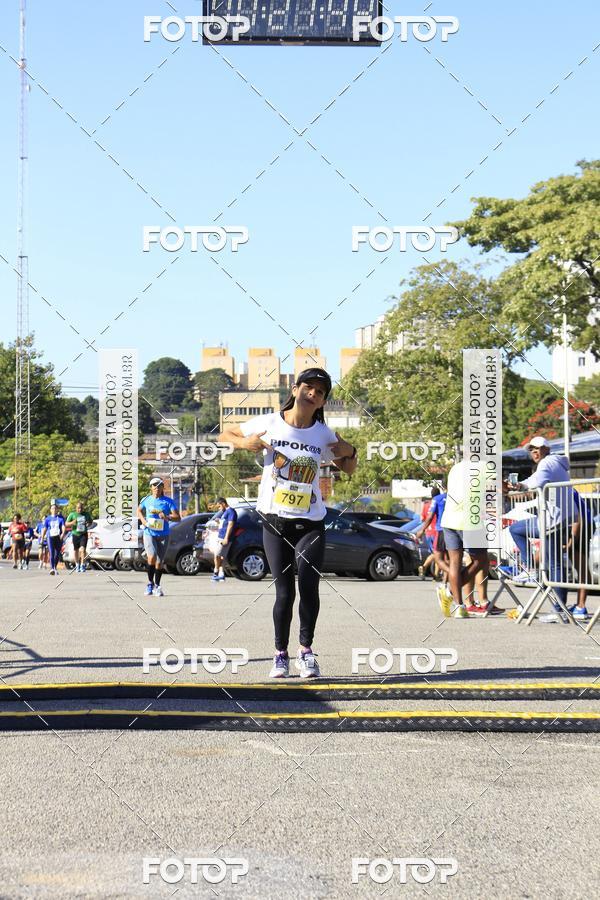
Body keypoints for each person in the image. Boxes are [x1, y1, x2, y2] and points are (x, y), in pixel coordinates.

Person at [220, 367, 357, 679]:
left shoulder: (323, 434)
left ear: (322, 402)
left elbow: (348, 466)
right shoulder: (269, 422)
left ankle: (305, 652)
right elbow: (224, 434)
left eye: (320, 392)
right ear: (295, 390)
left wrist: (351, 450)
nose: (313, 394)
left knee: (309, 588)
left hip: (310, 522)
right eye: (308, 387)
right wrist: (245, 443)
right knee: (284, 592)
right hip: (274, 521)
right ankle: (280, 654)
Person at [504, 435, 573, 616]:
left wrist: (520, 487)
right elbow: (533, 480)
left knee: (553, 564)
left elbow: (538, 482)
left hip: (552, 519)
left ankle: (533, 572)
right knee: (555, 563)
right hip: (559, 518)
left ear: (546, 449)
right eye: (531, 449)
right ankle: (559, 608)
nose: (534, 452)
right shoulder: (554, 462)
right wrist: (519, 485)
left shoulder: (547, 463)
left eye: (538, 448)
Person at [440, 459, 489, 617]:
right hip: (469, 520)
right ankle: (449, 592)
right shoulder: (483, 466)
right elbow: (499, 487)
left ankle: (459, 607)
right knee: (481, 559)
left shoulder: (455, 468)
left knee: (454, 562)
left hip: (449, 519)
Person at [137, 477, 180, 597]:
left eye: (159, 486)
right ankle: (149, 583)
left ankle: (157, 585)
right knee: (152, 557)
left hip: (163, 535)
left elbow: (178, 517)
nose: (156, 488)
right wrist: (143, 521)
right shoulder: (146, 499)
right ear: (151, 488)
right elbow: (139, 510)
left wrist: (167, 517)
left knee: (160, 562)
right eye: (154, 486)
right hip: (149, 533)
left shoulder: (168, 501)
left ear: (162, 488)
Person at [415, 485, 452, 612]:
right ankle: (444, 584)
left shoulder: (436, 500)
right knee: (449, 559)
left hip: (439, 531)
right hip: (453, 531)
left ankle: (451, 575)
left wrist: (422, 530)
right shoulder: (455, 498)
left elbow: (428, 517)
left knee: (438, 557)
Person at [211, 497, 238, 582]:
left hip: (224, 537)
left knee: (217, 554)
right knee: (221, 555)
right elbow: (225, 523)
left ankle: (216, 572)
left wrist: (226, 538)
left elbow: (230, 524)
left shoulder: (231, 511)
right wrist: (219, 521)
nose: (219, 508)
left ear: (223, 503)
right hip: (220, 536)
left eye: (219, 506)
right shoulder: (225, 512)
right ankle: (221, 574)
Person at [65, 501, 94, 573]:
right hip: (75, 534)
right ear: (76, 508)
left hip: (83, 534)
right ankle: (77, 565)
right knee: (76, 550)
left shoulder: (86, 514)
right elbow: (66, 524)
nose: (80, 509)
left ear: (83, 508)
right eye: (78, 508)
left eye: (81, 508)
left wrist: (88, 524)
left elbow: (91, 522)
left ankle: (82, 565)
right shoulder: (72, 514)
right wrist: (72, 523)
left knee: (82, 549)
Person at [41, 504, 67, 575]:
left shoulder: (60, 518)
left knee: (57, 554)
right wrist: (42, 537)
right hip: (50, 537)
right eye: (52, 508)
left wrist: (63, 534)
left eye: (55, 508)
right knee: (51, 552)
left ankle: (54, 567)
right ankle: (52, 568)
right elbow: (45, 528)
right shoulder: (47, 519)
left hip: (58, 537)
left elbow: (63, 527)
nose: (54, 510)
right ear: (50, 510)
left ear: (57, 510)